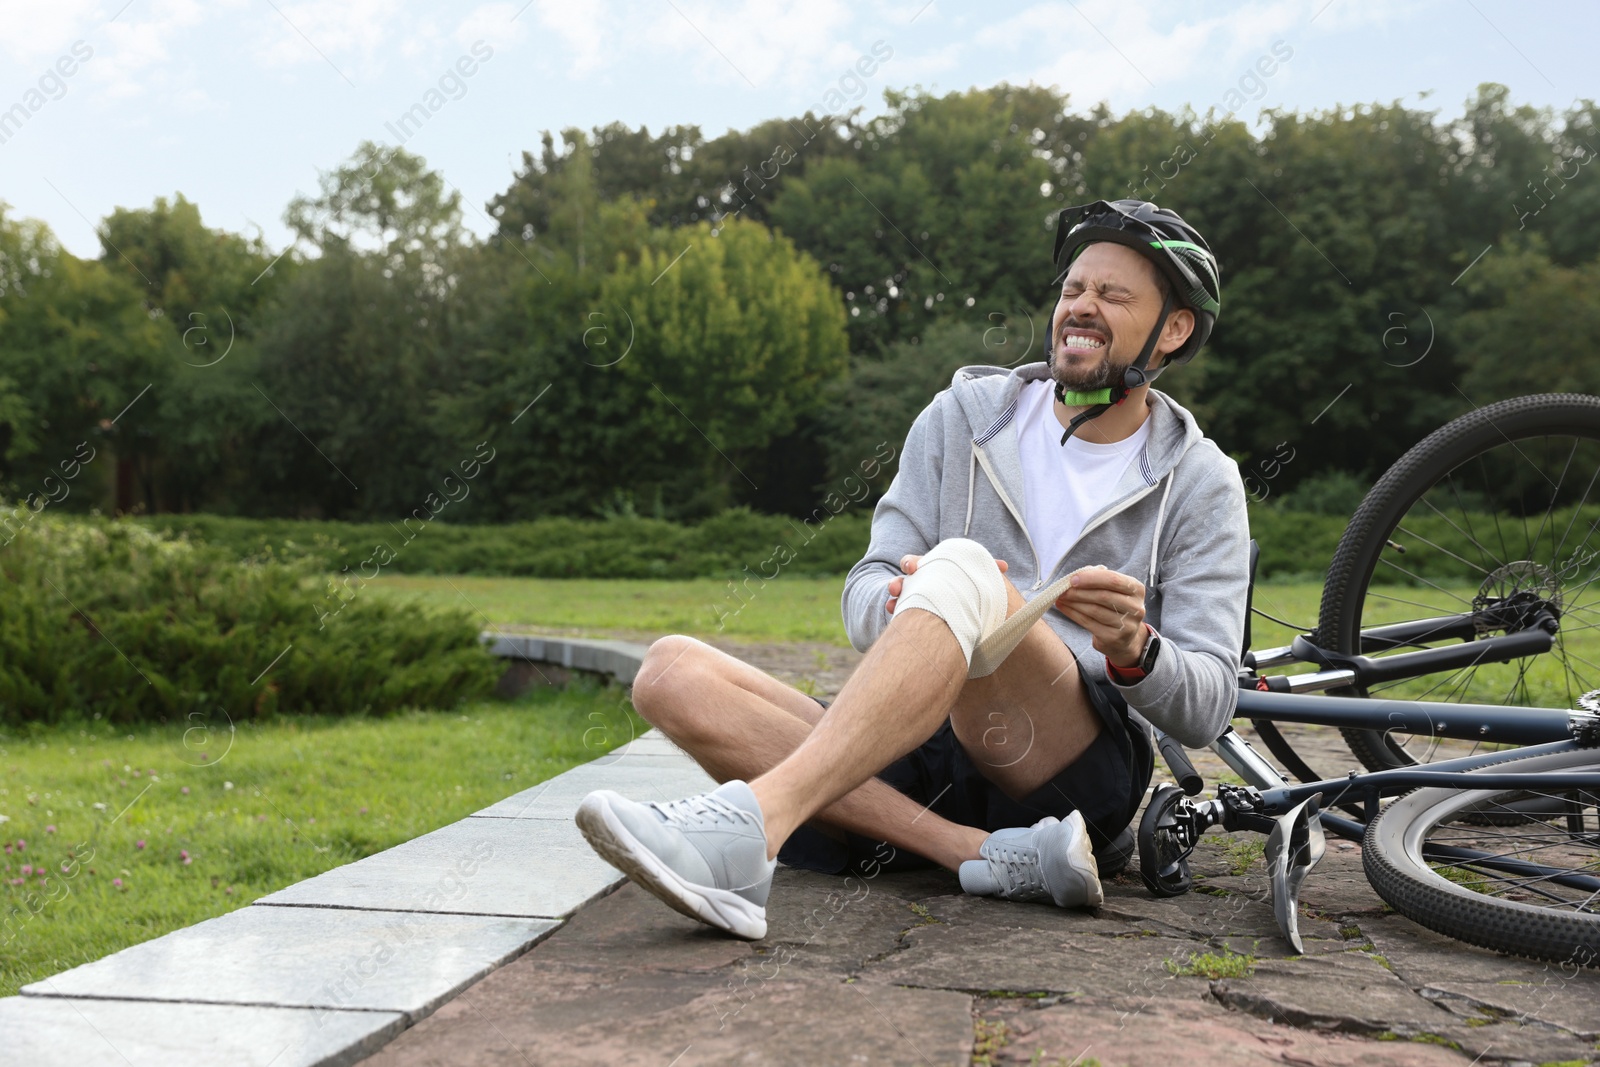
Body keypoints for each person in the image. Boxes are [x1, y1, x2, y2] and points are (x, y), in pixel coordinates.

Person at [574, 199, 1250, 939]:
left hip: (1062, 765)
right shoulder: (959, 418)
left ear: (1174, 328)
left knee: (966, 567)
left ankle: (754, 829)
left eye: (1113, 295)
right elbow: (864, 585)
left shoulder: (1200, 478)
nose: (1080, 307)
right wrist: (906, 605)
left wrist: (1136, 652)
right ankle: (978, 852)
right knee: (669, 671)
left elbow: (1211, 705)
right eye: (1072, 289)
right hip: (923, 748)